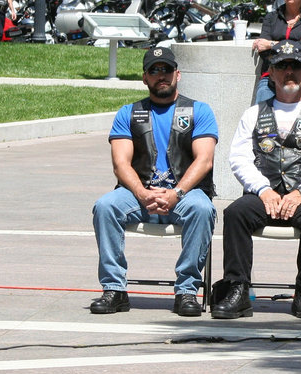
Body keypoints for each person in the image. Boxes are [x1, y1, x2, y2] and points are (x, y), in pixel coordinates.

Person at [211, 40, 301, 320]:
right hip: (263, 196)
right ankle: (238, 289)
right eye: (282, 67)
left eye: (295, 66)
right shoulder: (254, 113)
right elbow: (239, 158)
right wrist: (262, 190)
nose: (289, 73)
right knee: (235, 213)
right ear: (270, 73)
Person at [89, 46, 217, 316]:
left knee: (203, 209)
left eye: (167, 70)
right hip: (138, 193)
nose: (162, 76)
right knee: (105, 206)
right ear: (144, 78)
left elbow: (204, 160)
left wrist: (177, 194)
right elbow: (120, 164)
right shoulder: (128, 113)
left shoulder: (199, 111)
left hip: (185, 194)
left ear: (178, 75)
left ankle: (187, 292)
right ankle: (114, 290)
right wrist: (142, 193)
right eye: (154, 71)